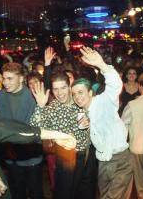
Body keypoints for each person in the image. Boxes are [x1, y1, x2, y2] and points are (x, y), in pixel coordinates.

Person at [72, 47, 133, 199]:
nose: (77, 97)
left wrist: (102, 65)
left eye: (80, 92)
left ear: (90, 92)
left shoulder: (103, 101)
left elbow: (115, 85)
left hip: (120, 160)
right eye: (74, 94)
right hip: (103, 162)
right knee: (104, 195)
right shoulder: (81, 114)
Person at [30, 71, 96, 199]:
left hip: (87, 156)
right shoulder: (50, 109)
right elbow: (34, 130)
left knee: (87, 194)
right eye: (56, 89)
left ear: (69, 85)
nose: (60, 93)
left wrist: (90, 122)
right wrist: (40, 106)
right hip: (66, 159)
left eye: (63, 88)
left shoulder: (80, 101)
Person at [0, 62, 44, 199]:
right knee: (17, 193)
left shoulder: (34, 96)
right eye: (4, 78)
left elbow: (39, 126)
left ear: (21, 78)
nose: (5, 82)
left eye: (10, 79)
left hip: (31, 156)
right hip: (11, 157)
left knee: (36, 193)